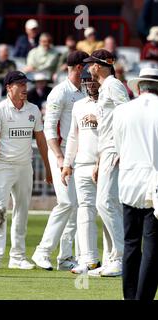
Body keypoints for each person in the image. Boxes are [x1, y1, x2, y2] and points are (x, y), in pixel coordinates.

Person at [0, 71, 52, 270]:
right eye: (19, 84)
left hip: (25, 167)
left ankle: (18, 257)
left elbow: (41, 140)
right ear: (9, 87)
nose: (24, 88)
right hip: (3, 167)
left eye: (25, 84)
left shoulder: (34, 110)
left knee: (22, 211)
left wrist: (48, 167)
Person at [31, 50, 89, 271]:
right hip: (61, 154)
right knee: (66, 202)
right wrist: (58, 157)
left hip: (78, 155)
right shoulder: (59, 93)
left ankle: (65, 257)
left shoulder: (85, 92)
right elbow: (48, 128)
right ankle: (42, 251)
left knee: (75, 206)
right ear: (78, 68)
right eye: (87, 66)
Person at [83, 49, 130, 277]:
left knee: (106, 203)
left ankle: (121, 259)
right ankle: (113, 258)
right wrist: (99, 161)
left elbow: (127, 115)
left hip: (115, 148)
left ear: (99, 65)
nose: (89, 67)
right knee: (107, 204)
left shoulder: (113, 85)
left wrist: (123, 149)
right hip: (107, 150)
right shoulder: (105, 89)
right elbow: (109, 123)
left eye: (91, 63)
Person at [112, 67, 158, 300]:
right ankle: (144, 297)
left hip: (130, 182)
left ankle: (130, 297)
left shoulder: (122, 111)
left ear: (139, 87)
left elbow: (119, 148)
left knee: (131, 243)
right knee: (152, 245)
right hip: (155, 184)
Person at [61, 68, 107, 274]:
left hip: (106, 165)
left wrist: (101, 161)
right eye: (87, 82)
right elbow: (73, 136)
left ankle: (113, 258)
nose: (90, 85)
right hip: (82, 165)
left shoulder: (110, 104)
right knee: (85, 212)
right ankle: (89, 260)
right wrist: (67, 164)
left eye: (93, 81)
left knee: (108, 211)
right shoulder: (79, 106)